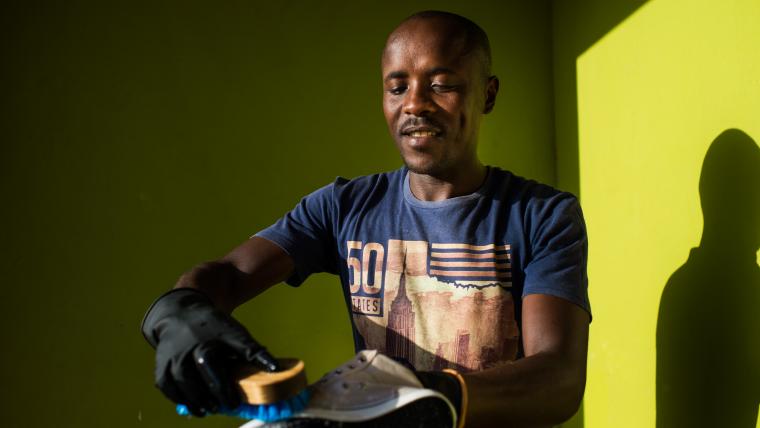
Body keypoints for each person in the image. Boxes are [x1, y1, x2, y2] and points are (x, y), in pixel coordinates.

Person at [142, 10, 591, 428]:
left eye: (441, 85)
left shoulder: (543, 216)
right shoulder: (342, 207)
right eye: (397, 87)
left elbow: (558, 379)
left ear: (487, 95)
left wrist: (425, 398)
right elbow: (231, 273)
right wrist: (181, 313)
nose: (415, 104)